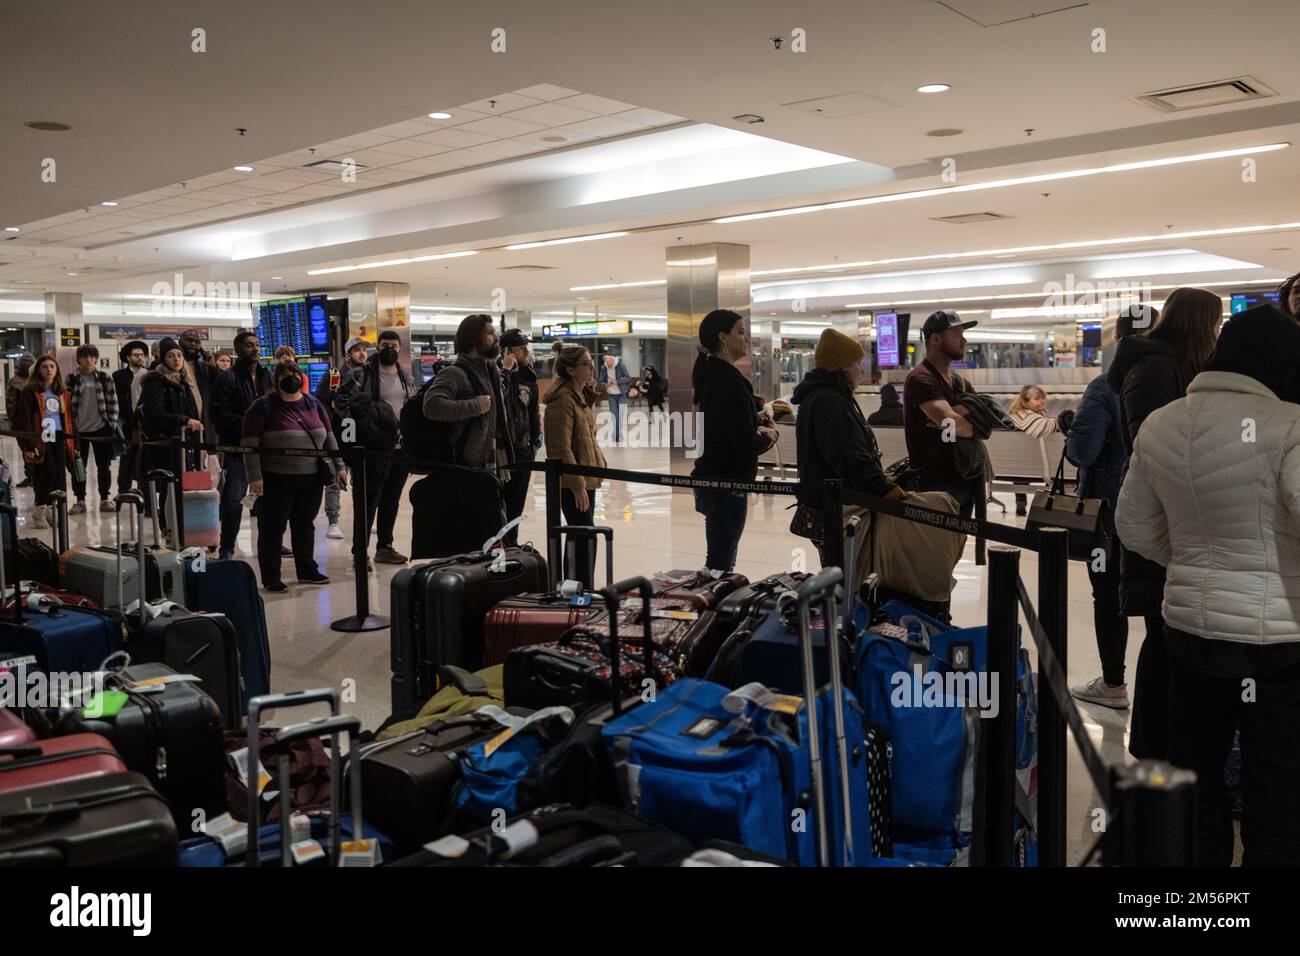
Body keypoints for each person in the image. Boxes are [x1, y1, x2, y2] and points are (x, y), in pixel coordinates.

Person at [1116, 304, 1300, 866]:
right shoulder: (1289, 425)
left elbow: (1133, 526)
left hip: (1191, 632)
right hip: (1278, 644)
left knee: (1195, 769)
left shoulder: (1163, 422)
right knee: (1279, 786)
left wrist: (1198, 563)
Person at [1107, 286, 1222, 760]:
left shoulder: (1172, 367)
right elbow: (1153, 448)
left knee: (1172, 635)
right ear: (1198, 324)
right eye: (1214, 324)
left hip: (1176, 523)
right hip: (1162, 525)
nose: (1218, 333)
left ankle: (1166, 741)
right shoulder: (1157, 368)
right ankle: (1153, 744)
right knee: (1163, 633)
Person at [1067, 306, 1147, 710]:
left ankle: (1113, 684)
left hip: (1109, 511)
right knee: (1156, 598)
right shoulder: (1181, 381)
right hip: (1158, 513)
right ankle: (1162, 693)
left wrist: (1071, 430)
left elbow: (1083, 450)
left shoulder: (1105, 388)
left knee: (1107, 594)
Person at [791, 329, 903, 596]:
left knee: (839, 578)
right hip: (833, 510)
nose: (861, 370)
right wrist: (881, 488)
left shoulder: (827, 396)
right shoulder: (829, 401)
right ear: (840, 367)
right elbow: (848, 454)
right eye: (856, 364)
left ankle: (838, 619)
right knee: (844, 581)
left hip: (828, 505)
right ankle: (839, 624)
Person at [242, 361, 346, 592]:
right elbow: (249, 444)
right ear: (276, 380)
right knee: (272, 527)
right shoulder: (263, 406)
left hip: (310, 477)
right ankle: (271, 576)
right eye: (285, 374)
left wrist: (339, 465)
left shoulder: (314, 403)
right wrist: (254, 477)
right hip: (275, 478)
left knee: (304, 525)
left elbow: (329, 437)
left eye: (294, 373)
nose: (290, 377)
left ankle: (307, 569)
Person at [690, 310, 777, 573]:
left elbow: (725, 427)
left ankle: (714, 603)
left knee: (720, 557)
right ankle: (715, 608)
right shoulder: (727, 380)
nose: (746, 338)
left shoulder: (715, 375)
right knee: (720, 563)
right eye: (740, 332)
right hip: (726, 483)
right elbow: (742, 443)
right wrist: (769, 435)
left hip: (715, 478)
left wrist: (754, 418)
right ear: (723, 337)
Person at [336, 328, 417, 565]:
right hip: (371, 450)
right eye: (384, 345)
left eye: (393, 346)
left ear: (399, 349)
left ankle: (385, 546)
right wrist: (351, 446)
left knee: (391, 499)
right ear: (378, 348)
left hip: (399, 450)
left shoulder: (407, 379)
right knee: (367, 501)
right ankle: (359, 552)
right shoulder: (360, 376)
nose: (389, 349)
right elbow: (342, 406)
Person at [903, 310, 980, 518]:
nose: (964, 340)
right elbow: (951, 424)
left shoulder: (958, 382)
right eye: (957, 334)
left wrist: (964, 423)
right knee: (933, 548)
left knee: (956, 547)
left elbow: (987, 418)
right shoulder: (920, 378)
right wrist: (969, 422)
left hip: (965, 479)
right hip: (934, 484)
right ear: (936, 339)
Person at [424, 314, 514, 481]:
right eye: (490, 333)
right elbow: (432, 406)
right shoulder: (454, 373)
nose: (496, 337)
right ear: (473, 340)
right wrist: (475, 406)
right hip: (465, 465)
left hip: (492, 461)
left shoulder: (491, 371)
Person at [543, 345, 606, 585]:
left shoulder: (580, 396)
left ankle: (575, 588)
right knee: (585, 536)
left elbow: (586, 438)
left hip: (584, 477)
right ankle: (578, 589)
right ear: (570, 369)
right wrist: (577, 484)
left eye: (591, 362)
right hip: (572, 482)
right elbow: (560, 448)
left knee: (580, 536)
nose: (591, 367)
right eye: (585, 364)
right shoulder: (562, 401)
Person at [209, 330, 274, 560]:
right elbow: (218, 414)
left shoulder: (268, 376)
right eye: (249, 345)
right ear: (237, 350)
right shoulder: (226, 378)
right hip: (238, 448)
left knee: (268, 499)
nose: (255, 349)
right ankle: (227, 547)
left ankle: (271, 543)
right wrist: (249, 423)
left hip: (266, 448)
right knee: (234, 498)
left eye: (257, 345)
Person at [137, 339, 202, 536]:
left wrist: (202, 445)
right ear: (163, 359)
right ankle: (167, 527)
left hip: (187, 442)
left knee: (187, 483)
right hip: (167, 443)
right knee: (169, 485)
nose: (176, 359)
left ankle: (184, 524)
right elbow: (155, 415)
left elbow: (195, 412)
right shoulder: (155, 382)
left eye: (179, 355)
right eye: (170, 356)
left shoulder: (185, 381)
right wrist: (184, 420)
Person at [13, 355, 78, 529]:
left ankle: (50, 508)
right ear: (38, 371)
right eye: (44, 367)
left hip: (59, 436)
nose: (49, 369)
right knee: (48, 474)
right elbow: (22, 420)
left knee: (58, 476)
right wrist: (28, 445)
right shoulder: (30, 392)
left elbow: (71, 419)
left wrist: (75, 444)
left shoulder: (63, 392)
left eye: (52, 366)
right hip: (41, 436)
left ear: (56, 369)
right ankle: (40, 508)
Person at [316, 336, 369, 539]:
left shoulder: (369, 374)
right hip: (339, 432)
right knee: (335, 476)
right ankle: (333, 521)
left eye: (364, 349)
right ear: (348, 354)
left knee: (362, 477)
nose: (362, 353)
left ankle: (364, 517)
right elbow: (321, 402)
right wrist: (330, 425)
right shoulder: (334, 375)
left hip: (362, 432)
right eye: (357, 350)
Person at [65, 345, 120, 515]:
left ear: (96, 359)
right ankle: (80, 499)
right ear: (78, 359)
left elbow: (113, 403)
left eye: (91, 357)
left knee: (104, 466)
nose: (88, 360)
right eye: (84, 357)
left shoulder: (105, 378)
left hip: (101, 429)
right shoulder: (71, 379)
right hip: (78, 431)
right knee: (78, 467)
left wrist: (111, 424)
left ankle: (105, 498)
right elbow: (66, 405)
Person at [499, 328, 541, 546]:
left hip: (523, 448)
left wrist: (535, 441)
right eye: (521, 347)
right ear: (507, 351)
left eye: (527, 347)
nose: (527, 351)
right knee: (499, 503)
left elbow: (533, 412)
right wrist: (505, 372)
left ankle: (512, 542)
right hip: (501, 451)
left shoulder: (529, 377)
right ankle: (497, 546)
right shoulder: (497, 374)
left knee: (517, 503)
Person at [1008, 385, 1058, 516]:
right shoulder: (1022, 415)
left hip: (1018, 467)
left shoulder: (1029, 415)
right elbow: (1043, 428)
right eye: (1037, 399)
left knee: (1021, 460)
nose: (1042, 401)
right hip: (1031, 468)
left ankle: (1020, 500)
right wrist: (1061, 421)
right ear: (1025, 402)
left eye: (1043, 398)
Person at [112, 340, 148, 500]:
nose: (139, 357)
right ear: (128, 357)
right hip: (127, 423)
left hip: (145, 423)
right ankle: (123, 490)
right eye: (136, 355)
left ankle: (143, 489)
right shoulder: (118, 376)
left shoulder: (149, 375)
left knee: (144, 457)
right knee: (127, 458)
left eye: (141, 355)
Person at [178, 329, 217, 434]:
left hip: (203, 424)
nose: (193, 344)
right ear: (180, 342)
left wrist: (214, 368)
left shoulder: (204, 367)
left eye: (197, 342)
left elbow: (217, 390)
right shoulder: (173, 366)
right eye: (189, 340)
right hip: (182, 424)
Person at [7, 352, 36, 488]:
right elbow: (11, 405)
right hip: (25, 422)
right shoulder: (31, 379)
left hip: (28, 422)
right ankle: (32, 475)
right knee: (27, 448)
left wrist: (13, 421)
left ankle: (32, 475)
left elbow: (10, 405)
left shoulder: (16, 380)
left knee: (27, 448)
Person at [598, 353, 631, 445]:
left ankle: (618, 433)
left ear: (613, 361)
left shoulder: (620, 366)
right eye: (607, 364)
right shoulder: (603, 368)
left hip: (621, 394)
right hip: (611, 395)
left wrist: (617, 381)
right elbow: (601, 380)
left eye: (610, 364)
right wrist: (606, 384)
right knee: (614, 415)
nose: (609, 366)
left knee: (621, 415)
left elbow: (628, 378)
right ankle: (617, 435)